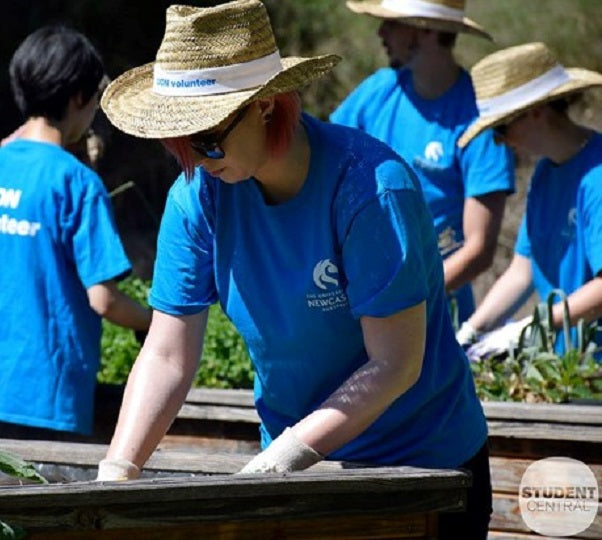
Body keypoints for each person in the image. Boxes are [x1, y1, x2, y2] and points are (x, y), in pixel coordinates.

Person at [95, 1, 491, 536]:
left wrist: (282, 458)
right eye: (181, 142)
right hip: (298, 473)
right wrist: (116, 474)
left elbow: (395, 365)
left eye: (208, 137)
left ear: (266, 107)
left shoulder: (371, 188)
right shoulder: (197, 198)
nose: (198, 158)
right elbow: (166, 354)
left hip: (424, 468)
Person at [0, 23, 152, 440]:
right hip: (45, 400)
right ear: (79, 97)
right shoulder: (77, 183)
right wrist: (152, 323)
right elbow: (104, 299)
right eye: (95, 101)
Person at [330, 0, 515, 326]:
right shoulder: (377, 90)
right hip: (359, 299)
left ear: (427, 30)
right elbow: (326, 169)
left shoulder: (478, 119)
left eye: (392, 23)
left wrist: (402, 299)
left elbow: (479, 249)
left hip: (435, 314)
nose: (380, 32)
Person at [455, 42, 602, 358]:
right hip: (567, 367)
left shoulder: (598, 176)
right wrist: (471, 331)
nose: (499, 141)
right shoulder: (546, 172)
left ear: (537, 111)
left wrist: (529, 328)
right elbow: (522, 271)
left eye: (502, 127)